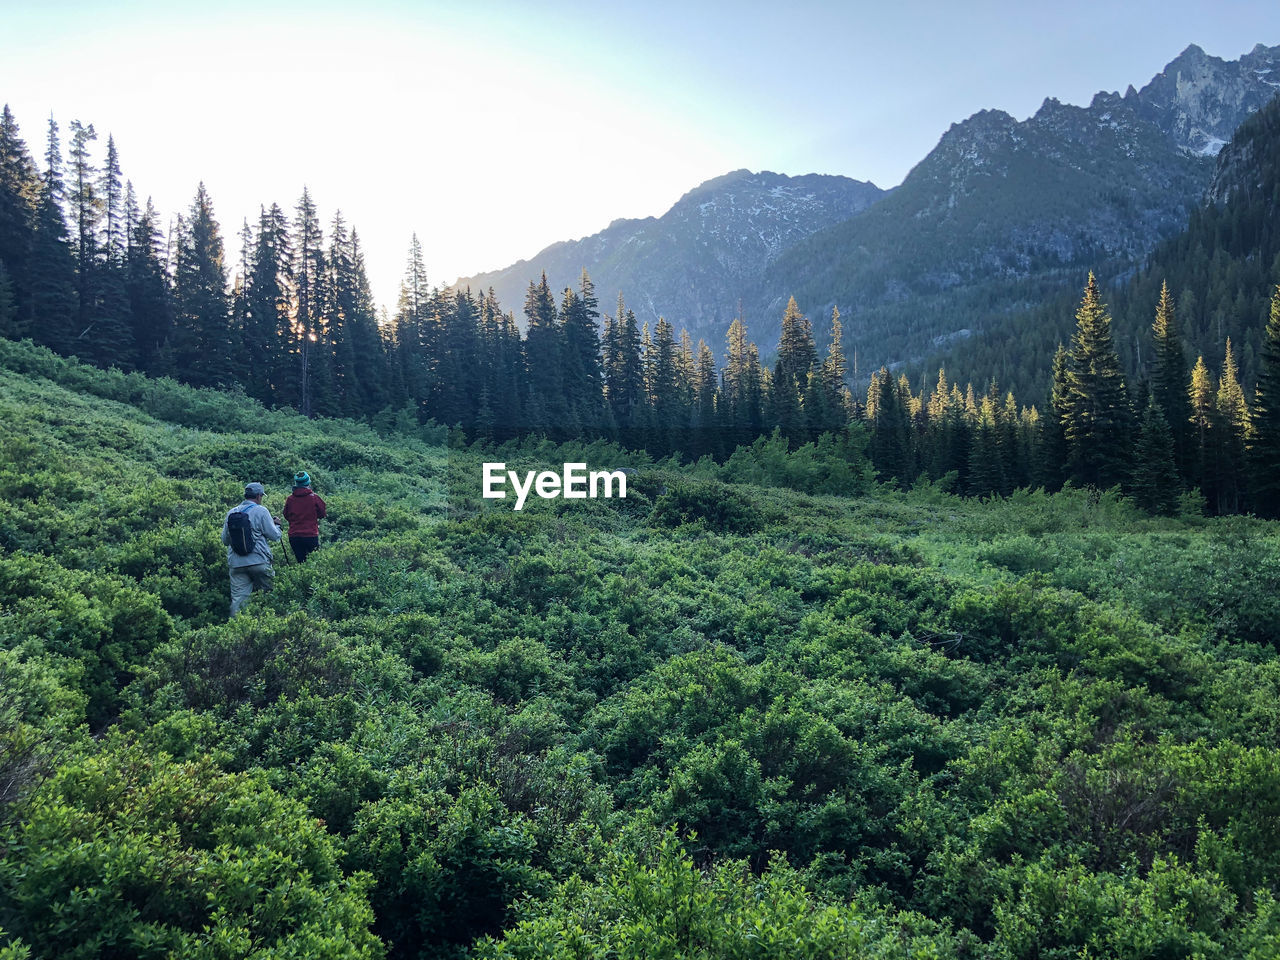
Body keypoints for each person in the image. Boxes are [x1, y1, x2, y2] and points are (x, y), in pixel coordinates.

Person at [221, 481, 282, 617]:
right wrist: (277, 526)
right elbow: (275, 536)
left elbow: (225, 540)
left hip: (236, 564)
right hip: (259, 561)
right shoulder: (261, 511)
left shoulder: (232, 512)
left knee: (239, 600)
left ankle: (238, 630)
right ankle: (271, 622)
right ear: (259, 496)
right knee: (270, 594)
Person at [283, 471, 327, 563]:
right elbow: (322, 514)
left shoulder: (290, 499)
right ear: (308, 483)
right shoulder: (314, 497)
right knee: (315, 563)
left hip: (294, 536)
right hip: (310, 535)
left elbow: (286, 515)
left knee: (301, 562)